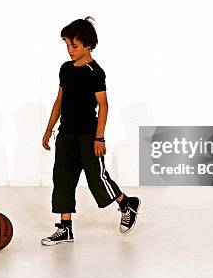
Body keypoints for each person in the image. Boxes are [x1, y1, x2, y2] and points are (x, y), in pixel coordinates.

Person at [40, 16, 141, 246]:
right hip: (66, 135)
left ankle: (127, 203)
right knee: (63, 179)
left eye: (74, 45)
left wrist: (99, 137)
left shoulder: (95, 72)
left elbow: (103, 105)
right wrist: (49, 130)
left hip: (88, 135)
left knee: (97, 178)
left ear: (88, 45)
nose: (69, 50)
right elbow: (59, 101)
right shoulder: (65, 70)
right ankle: (65, 228)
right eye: (66, 45)